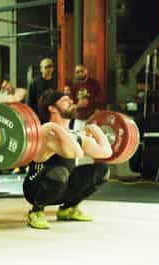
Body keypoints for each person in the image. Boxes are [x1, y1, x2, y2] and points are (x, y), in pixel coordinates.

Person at [23, 89, 112, 229]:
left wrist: (94, 127)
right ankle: (36, 212)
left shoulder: (73, 134)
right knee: (60, 171)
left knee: (102, 170)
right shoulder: (47, 132)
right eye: (65, 100)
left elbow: (106, 152)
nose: (71, 101)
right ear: (52, 108)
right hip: (35, 188)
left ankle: (68, 209)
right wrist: (55, 127)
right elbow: (73, 152)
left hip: (61, 186)